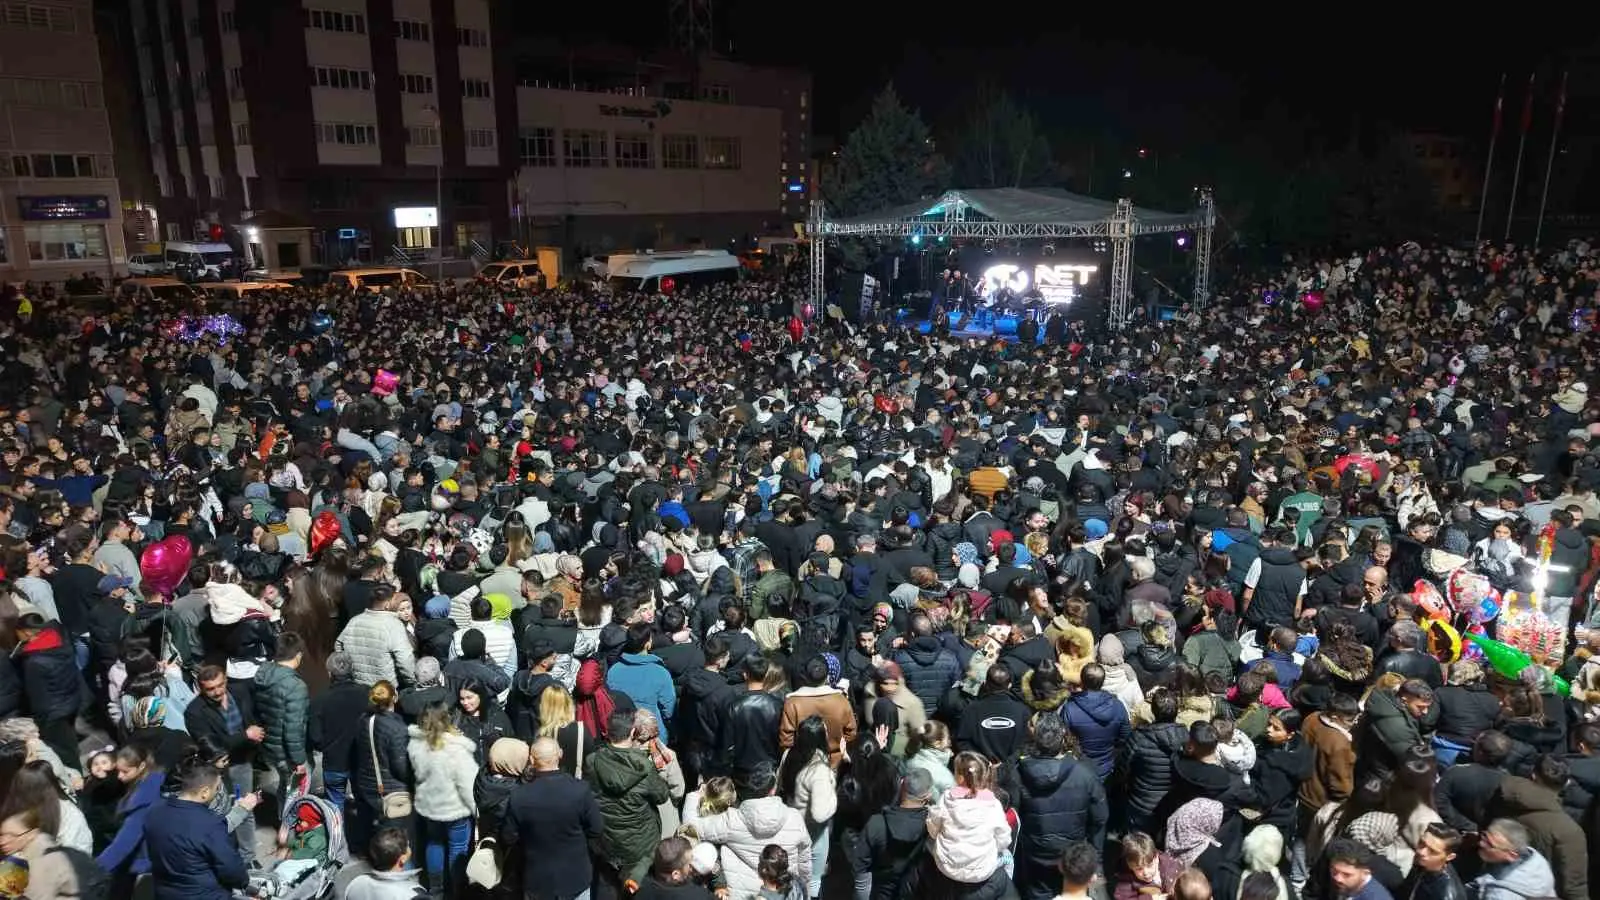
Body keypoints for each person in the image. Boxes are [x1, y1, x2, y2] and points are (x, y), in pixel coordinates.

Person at [683, 763, 811, 900]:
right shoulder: (795, 818)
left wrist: (696, 794)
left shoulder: (732, 820)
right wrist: (805, 891)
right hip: (783, 892)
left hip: (742, 894)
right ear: (773, 790)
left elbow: (692, 827)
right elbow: (805, 862)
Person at [503, 737, 604, 900]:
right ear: (560, 754)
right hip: (575, 877)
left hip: (537, 880)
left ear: (531, 759)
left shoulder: (519, 796)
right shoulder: (580, 790)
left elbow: (508, 837)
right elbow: (596, 828)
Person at [143, 750, 249, 900]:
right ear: (204, 792)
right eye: (216, 788)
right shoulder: (210, 824)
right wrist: (244, 883)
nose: (217, 792)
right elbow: (232, 870)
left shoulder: (153, 812)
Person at [588, 707, 672, 889]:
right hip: (640, 845)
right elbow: (661, 796)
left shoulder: (592, 761)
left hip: (605, 840)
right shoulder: (644, 767)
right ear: (633, 732)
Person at [408, 699, 478, 898]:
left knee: (434, 844)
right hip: (455, 809)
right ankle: (457, 891)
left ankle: (436, 889)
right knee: (458, 848)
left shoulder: (416, 742)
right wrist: (476, 810)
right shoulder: (456, 748)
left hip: (429, 807)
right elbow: (467, 785)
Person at [254, 631, 311, 792]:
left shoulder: (262, 674)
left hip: (269, 746)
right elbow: (293, 728)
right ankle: (290, 817)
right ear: (299, 655)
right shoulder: (295, 687)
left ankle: (282, 814)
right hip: (286, 753)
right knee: (296, 792)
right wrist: (299, 760)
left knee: (284, 786)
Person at [1468, 819, 1558, 900]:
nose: (1481, 844)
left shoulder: (1501, 895)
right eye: (1484, 836)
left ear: (1512, 855)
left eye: (1489, 844)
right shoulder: (1533, 860)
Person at [342, 826, 428, 900]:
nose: (409, 848)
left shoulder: (356, 883)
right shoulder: (413, 894)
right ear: (403, 858)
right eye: (408, 846)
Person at [1398, 823, 1466, 900]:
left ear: (1449, 857)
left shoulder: (1444, 895)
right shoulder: (1423, 862)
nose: (1422, 852)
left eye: (1432, 851)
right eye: (1422, 843)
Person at [1325, 838, 1394, 900]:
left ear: (1365, 873)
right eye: (1334, 871)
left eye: (1346, 875)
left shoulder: (1376, 897)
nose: (1338, 878)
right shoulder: (1348, 886)